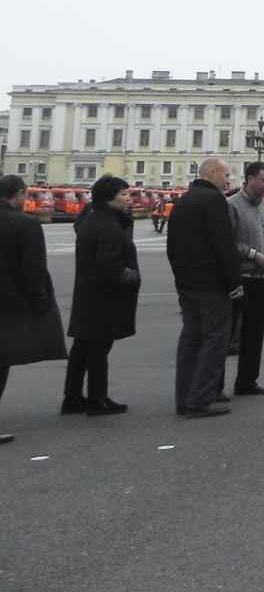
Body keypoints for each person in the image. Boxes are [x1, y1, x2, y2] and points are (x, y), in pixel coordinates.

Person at [167, 158, 244, 418]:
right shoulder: (213, 201)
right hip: (211, 283)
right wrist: (234, 280)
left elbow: (172, 245)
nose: (228, 181)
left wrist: (179, 275)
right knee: (215, 339)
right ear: (212, 173)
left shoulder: (183, 201)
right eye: (226, 175)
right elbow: (222, 242)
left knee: (191, 339)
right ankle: (201, 398)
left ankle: (185, 398)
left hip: (186, 282)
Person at [63, 175, 141, 416]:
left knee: (83, 346)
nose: (129, 199)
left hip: (88, 293)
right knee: (98, 348)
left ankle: (73, 396)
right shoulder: (109, 225)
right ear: (109, 199)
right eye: (124, 195)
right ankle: (98, 398)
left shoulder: (93, 219)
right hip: (104, 297)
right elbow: (110, 266)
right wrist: (133, 277)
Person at [0, 174, 68, 444]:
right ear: (18, 194)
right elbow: (33, 270)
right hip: (10, 303)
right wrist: (39, 302)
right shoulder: (24, 223)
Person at [226, 162, 264, 397]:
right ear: (248, 179)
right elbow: (226, 242)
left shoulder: (263, 206)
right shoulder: (232, 205)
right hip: (240, 278)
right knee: (229, 334)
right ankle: (214, 385)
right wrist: (253, 254)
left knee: (255, 333)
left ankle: (247, 381)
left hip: (259, 279)